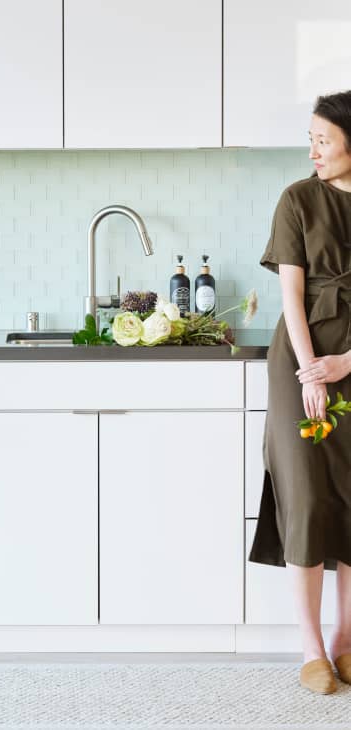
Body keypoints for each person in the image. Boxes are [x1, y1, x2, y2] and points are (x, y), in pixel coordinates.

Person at [248, 89, 351, 695]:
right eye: (310, 138)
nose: (312, 150)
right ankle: (311, 648)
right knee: (308, 499)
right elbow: (292, 296)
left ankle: (347, 639)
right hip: (301, 361)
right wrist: (315, 371)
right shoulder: (297, 200)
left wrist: (348, 364)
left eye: (324, 140)